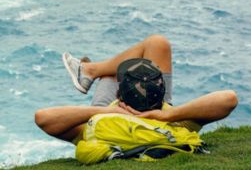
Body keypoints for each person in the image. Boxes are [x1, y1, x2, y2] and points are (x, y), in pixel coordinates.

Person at [34, 34, 238, 143]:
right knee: (157, 44)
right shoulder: (177, 125)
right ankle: (90, 70)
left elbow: (44, 118)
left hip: (112, 115)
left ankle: (91, 70)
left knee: (112, 71)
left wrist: (107, 111)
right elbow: (228, 99)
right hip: (154, 109)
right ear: (161, 91)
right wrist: (164, 115)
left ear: (118, 93)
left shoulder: (99, 129)